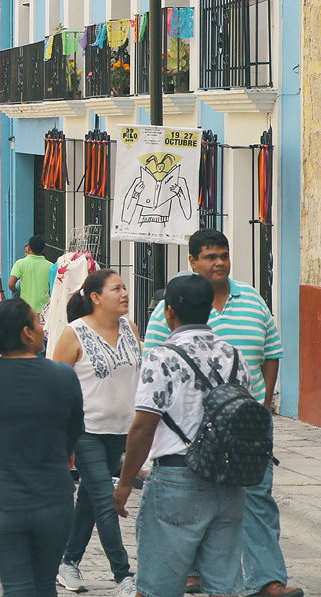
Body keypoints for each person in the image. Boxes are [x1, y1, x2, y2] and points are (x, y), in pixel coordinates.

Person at [139, 229, 295, 597]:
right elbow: (153, 365)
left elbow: (272, 351)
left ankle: (267, 578)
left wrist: (264, 403)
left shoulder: (253, 301)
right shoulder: (172, 307)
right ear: (192, 262)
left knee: (256, 499)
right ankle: (192, 572)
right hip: (194, 429)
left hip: (247, 428)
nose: (220, 262)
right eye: (210, 256)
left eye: (223, 255)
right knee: (199, 500)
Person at [114, 272, 254, 597]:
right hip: (229, 483)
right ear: (209, 309)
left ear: (169, 312)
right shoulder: (235, 356)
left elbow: (144, 426)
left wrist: (124, 483)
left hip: (177, 479)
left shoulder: (163, 357)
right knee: (225, 587)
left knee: (157, 588)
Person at [0, 298, 84, 597]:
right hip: (53, 498)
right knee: (44, 585)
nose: (42, 329)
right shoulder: (63, 376)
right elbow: (74, 432)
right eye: (38, 323)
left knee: (17, 586)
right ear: (27, 333)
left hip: (2, 500)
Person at [51, 270, 140, 596]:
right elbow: (58, 388)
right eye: (116, 288)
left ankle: (68, 561)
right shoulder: (73, 334)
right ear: (95, 297)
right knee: (106, 501)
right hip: (85, 430)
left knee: (90, 498)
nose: (124, 293)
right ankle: (123, 576)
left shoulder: (131, 329)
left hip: (121, 431)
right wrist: (62, 440)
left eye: (125, 288)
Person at [8, 235, 53, 314]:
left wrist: (16, 292)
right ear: (43, 249)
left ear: (28, 248)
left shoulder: (20, 263)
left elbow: (11, 284)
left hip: (25, 309)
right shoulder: (51, 266)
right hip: (45, 309)